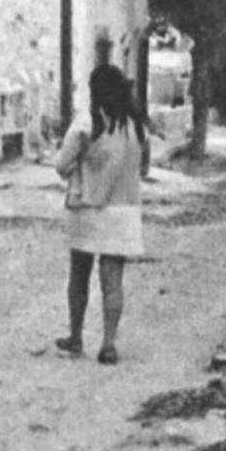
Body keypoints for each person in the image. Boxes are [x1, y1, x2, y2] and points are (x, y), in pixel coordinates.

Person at [54, 65, 146, 365]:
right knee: (113, 280)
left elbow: (62, 164)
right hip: (124, 210)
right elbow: (143, 168)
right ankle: (108, 343)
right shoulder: (135, 126)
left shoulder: (88, 120)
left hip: (88, 208)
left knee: (79, 276)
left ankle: (76, 336)